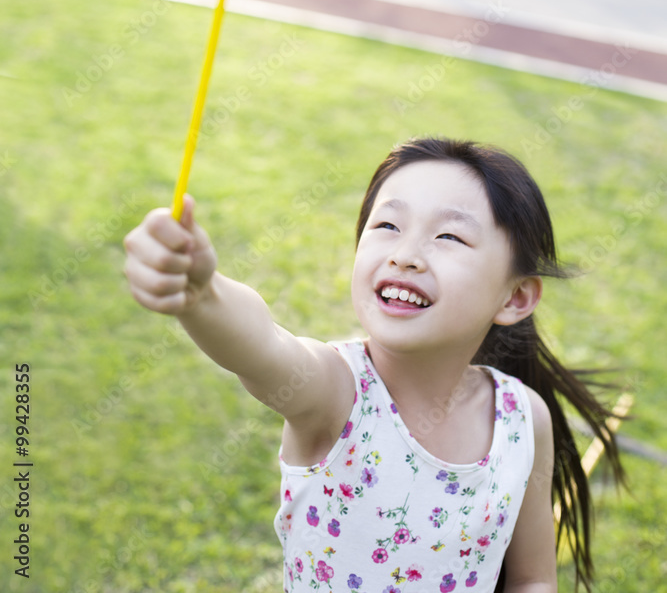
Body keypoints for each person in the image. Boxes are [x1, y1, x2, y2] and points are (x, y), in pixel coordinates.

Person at [123, 136, 624, 592]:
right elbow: (263, 344)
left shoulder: (521, 418)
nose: (406, 255)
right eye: (387, 225)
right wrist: (202, 294)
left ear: (515, 297)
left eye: (449, 237)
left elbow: (532, 579)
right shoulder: (335, 394)